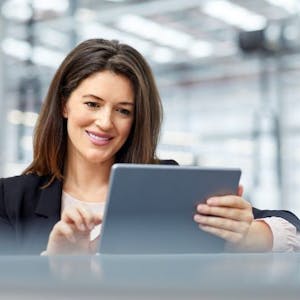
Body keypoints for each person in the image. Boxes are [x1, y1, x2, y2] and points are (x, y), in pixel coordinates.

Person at [0, 38, 299, 255]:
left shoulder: (168, 185)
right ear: (64, 104)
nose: (105, 122)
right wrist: (53, 267)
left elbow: (291, 226)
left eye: (123, 110)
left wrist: (248, 236)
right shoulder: (10, 198)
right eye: (92, 104)